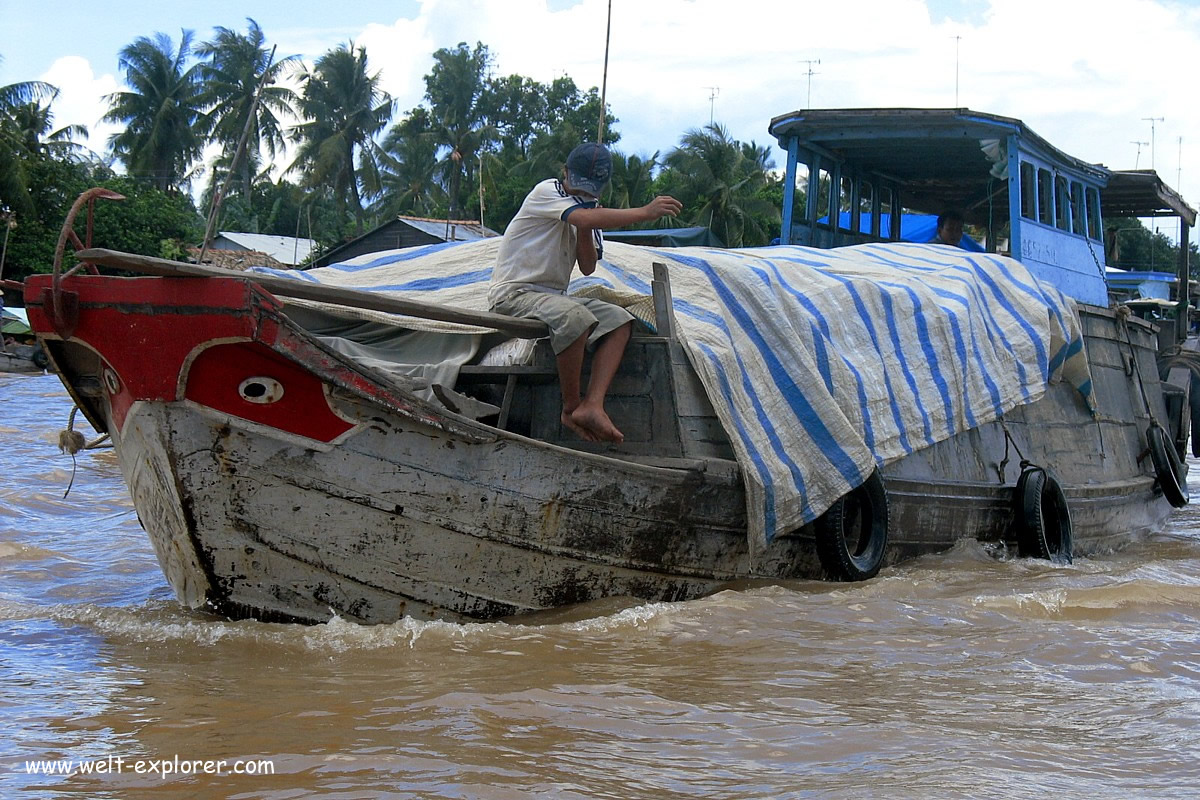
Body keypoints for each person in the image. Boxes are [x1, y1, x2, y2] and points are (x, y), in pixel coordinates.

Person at [488, 142, 682, 443]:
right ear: (564, 173)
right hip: (514, 294)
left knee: (619, 321)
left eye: (590, 190)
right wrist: (644, 212)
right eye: (578, 185)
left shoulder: (588, 213)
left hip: (552, 298)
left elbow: (588, 265)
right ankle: (571, 408)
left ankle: (593, 404)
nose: (583, 193)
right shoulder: (547, 191)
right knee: (575, 317)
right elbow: (583, 218)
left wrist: (586, 228)